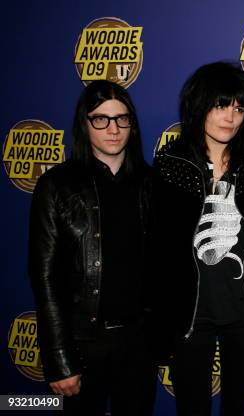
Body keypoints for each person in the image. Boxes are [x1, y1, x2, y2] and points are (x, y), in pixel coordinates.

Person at [28, 80, 156, 415]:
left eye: (122, 118)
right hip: (83, 344)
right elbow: (45, 278)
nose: (113, 129)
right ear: (84, 125)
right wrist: (59, 360)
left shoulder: (152, 183)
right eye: (101, 119)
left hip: (139, 345)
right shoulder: (56, 186)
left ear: (132, 123)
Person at [151, 61, 244, 416]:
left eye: (239, 107)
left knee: (240, 407)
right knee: (192, 408)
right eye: (220, 104)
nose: (230, 116)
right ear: (199, 105)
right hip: (190, 312)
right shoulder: (171, 162)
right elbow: (159, 247)